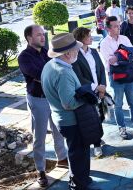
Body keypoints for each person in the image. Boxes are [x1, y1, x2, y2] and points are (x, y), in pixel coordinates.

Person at [41, 33, 93, 189]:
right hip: (71, 121)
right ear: (67, 53)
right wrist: (87, 97)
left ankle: (80, 179)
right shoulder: (62, 72)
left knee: (76, 152)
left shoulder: (49, 65)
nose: (78, 51)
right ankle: (79, 184)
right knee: (78, 154)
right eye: (75, 49)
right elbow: (68, 103)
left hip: (62, 119)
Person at [18, 25, 68, 187]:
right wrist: (50, 75)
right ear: (29, 38)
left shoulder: (47, 52)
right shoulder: (24, 57)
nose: (42, 37)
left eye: (43, 34)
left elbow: (57, 69)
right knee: (39, 136)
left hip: (53, 97)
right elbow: (40, 75)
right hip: (38, 99)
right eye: (38, 35)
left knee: (59, 130)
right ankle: (40, 170)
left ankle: (62, 158)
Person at [100, 16, 133, 140]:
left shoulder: (124, 38)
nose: (118, 27)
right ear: (108, 28)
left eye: (118, 25)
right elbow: (112, 62)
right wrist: (125, 54)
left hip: (130, 76)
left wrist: (119, 55)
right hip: (116, 78)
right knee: (118, 105)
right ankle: (122, 128)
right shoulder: (104, 43)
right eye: (115, 26)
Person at [71, 27, 107, 158]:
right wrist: (96, 87)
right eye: (88, 36)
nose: (91, 38)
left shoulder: (93, 52)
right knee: (93, 119)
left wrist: (103, 86)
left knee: (101, 116)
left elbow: (101, 69)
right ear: (81, 38)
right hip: (88, 92)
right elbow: (78, 76)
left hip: (100, 90)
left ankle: (97, 137)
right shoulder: (75, 55)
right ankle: (96, 144)